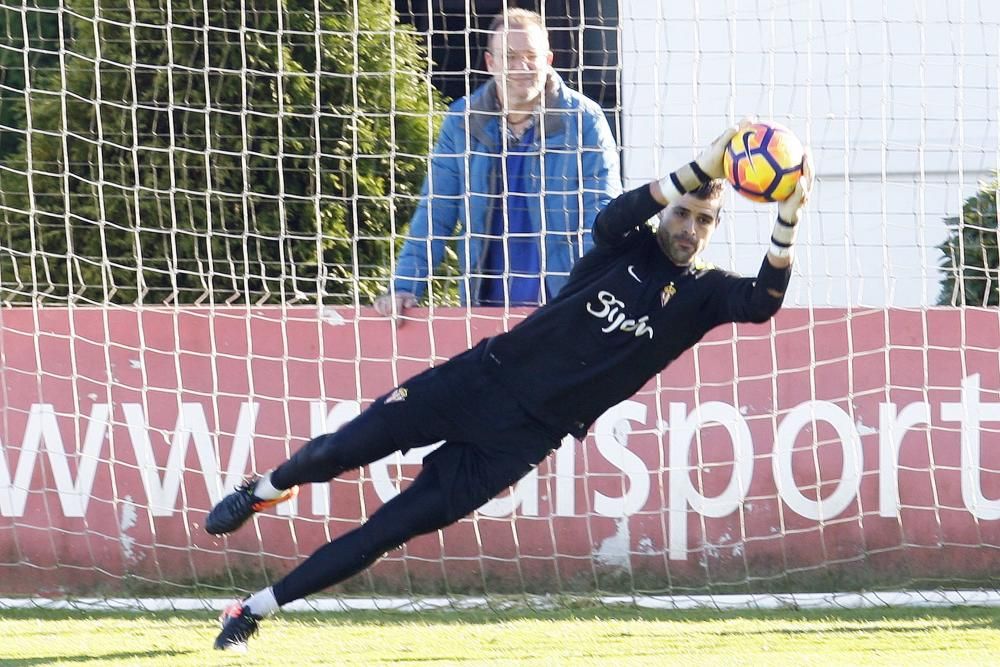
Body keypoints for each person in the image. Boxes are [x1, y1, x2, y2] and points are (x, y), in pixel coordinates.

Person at [206, 119, 814, 651]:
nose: (689, 227)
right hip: (479, 380)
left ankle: (252, 609)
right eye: (682, 212)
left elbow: (762, 302)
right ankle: (263, 489)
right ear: (667, 212)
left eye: (704, 220)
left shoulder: (703, 294)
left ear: (713, 228)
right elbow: (618, 211)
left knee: (384, 532)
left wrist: (788, 214)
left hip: (522, 439)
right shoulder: (618, 246)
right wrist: (705, 166)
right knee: (336, 451)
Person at [374, 8, 622, 318]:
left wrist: (589, 294)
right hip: (485, 310)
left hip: (565, 310)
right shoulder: (463, 122)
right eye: (510, 56)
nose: (522, 65)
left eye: (532, 55)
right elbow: (436, 211)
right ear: (491, 63)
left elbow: (603, 214)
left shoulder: (584, 120)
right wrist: (404, 287)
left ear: (548, 60)